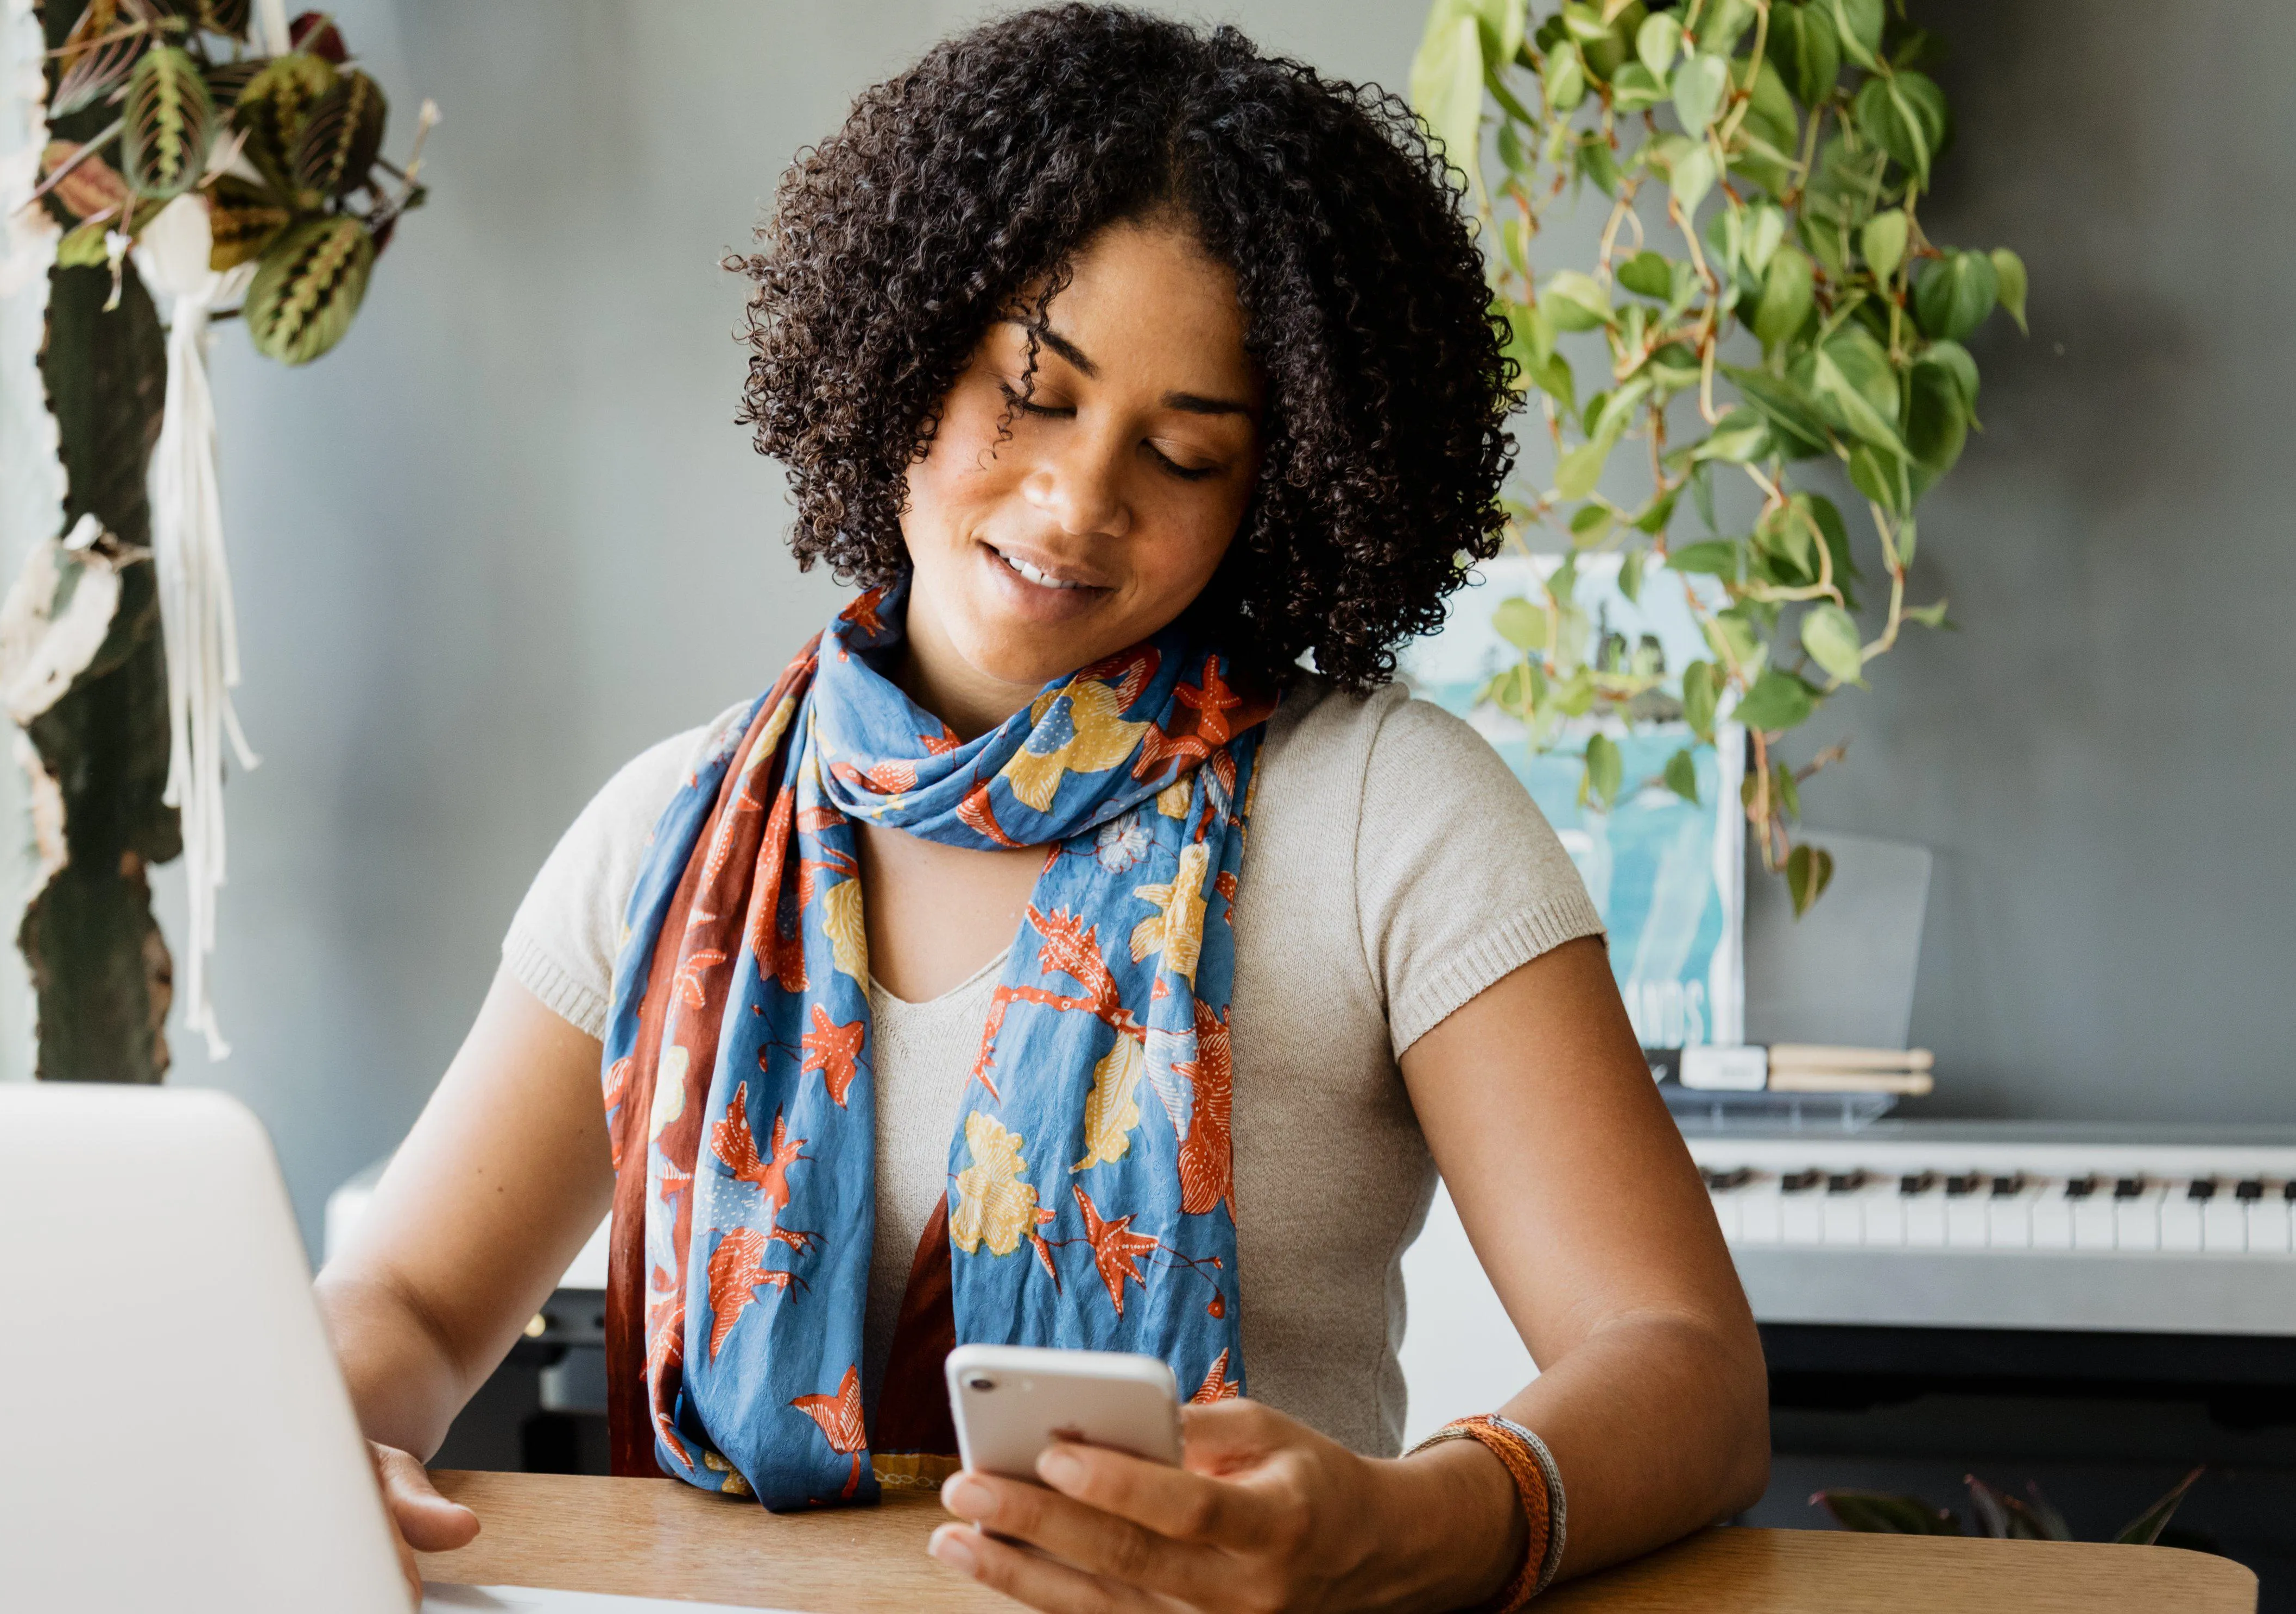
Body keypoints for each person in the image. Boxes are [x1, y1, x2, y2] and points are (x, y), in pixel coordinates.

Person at [317, 8, 1768, 1610]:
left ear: (1278, 487)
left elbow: (1685, 1370)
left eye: (1185, 452)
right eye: (1033, 391)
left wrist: (1408, 1524)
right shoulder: (669, 828)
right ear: (903, 345)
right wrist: (325, 1429)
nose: (1081, 501)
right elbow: (407, 1297)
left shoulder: (1384, 813)